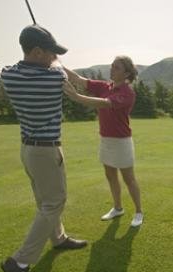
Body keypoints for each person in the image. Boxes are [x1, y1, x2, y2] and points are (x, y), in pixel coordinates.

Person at [0, 24, 88, 272]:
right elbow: (63, 74)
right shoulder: (54, 78)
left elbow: (20, 66)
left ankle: (58, 238)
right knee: (54, 203)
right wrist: (56, 63)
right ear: (36, 51)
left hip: (27, 149)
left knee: (44, 201)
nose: (54, 57)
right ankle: (20, 262)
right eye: (50, 52)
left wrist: (49, 56)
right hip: (47, 150)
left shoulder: (8, 76)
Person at [62, 56, 144, 227]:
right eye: (112, 66)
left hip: (122, 142)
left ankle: (138, 212)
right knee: (110, 175)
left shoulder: (127, 93)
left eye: (117, 67)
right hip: (105, 139)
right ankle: (118, 208)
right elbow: (77, 79)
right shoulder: (104, 86)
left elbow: (105, 103)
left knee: (129, 178)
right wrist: (57, 64)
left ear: (126, 73)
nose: (112, 69)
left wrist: (77, 97)